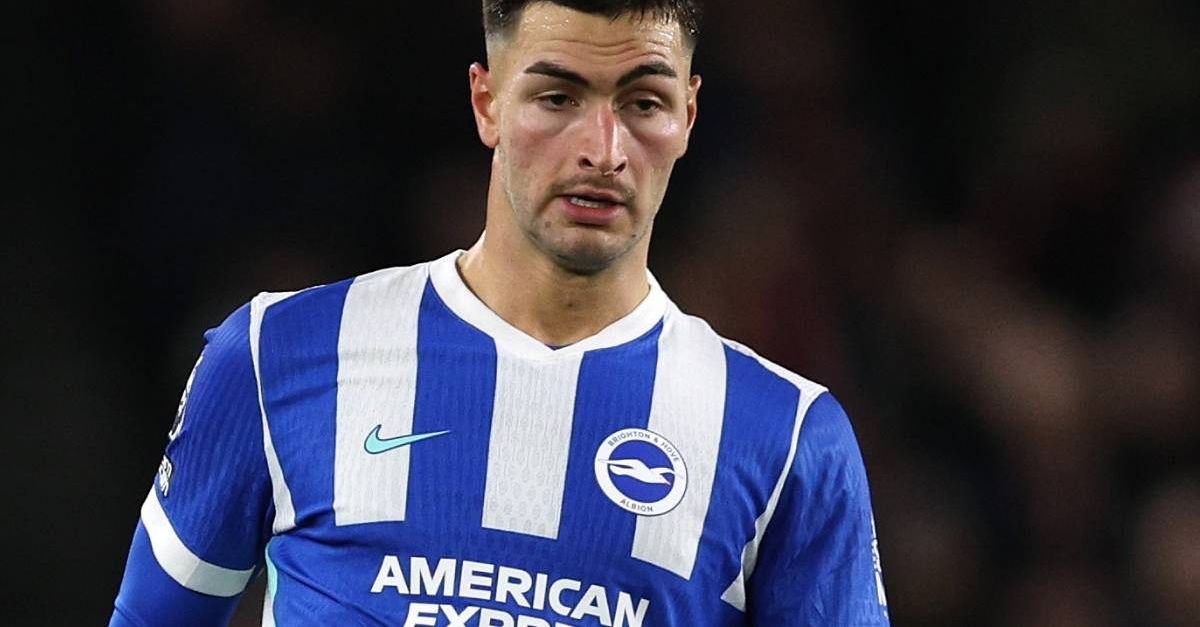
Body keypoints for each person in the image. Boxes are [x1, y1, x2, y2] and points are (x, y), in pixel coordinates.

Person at [110, 1, 890, 625]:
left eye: (644, 101)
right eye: (557, 97)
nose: (603, 150)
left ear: (687, 115)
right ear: (486, 101)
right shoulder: (277, 355)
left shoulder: (786, 436)